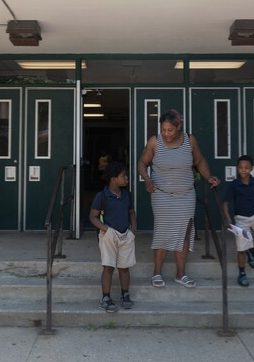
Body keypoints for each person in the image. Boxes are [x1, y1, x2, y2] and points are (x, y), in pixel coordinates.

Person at [137, 109, 220, 289]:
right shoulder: (154, 142)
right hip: (162, 195)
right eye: (163, 130)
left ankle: (180, 274)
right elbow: (142, 163)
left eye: (170, 130)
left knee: (185, 233)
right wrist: (147, 179)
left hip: (186, 195)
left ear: (178, 127)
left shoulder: (190, 140)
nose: (166, 134)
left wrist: (208, 177)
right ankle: (157, 272)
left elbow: (199, 161)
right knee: (163, 231)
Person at [89, 161, 137, 312]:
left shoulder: (127, 195)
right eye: (124, 175)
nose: (127, 178)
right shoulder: (102, 196)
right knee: (108, 266)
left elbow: (131, 212)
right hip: (108, 234)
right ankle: (106, 298)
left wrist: (133, 229)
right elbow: (93, 217)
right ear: (113, 179)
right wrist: (106, 230)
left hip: (125, 234)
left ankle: (125, 294)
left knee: (124, 267)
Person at [222, 154, 254, 287]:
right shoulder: (234, 185)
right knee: (241, 249)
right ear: (237, 169)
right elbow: (225, 202)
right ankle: (242, 273)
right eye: (240, 167)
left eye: (246, 167)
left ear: (251, 168)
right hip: (241, 221)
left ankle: (253, 251)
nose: (243, 170)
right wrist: (228, 218)